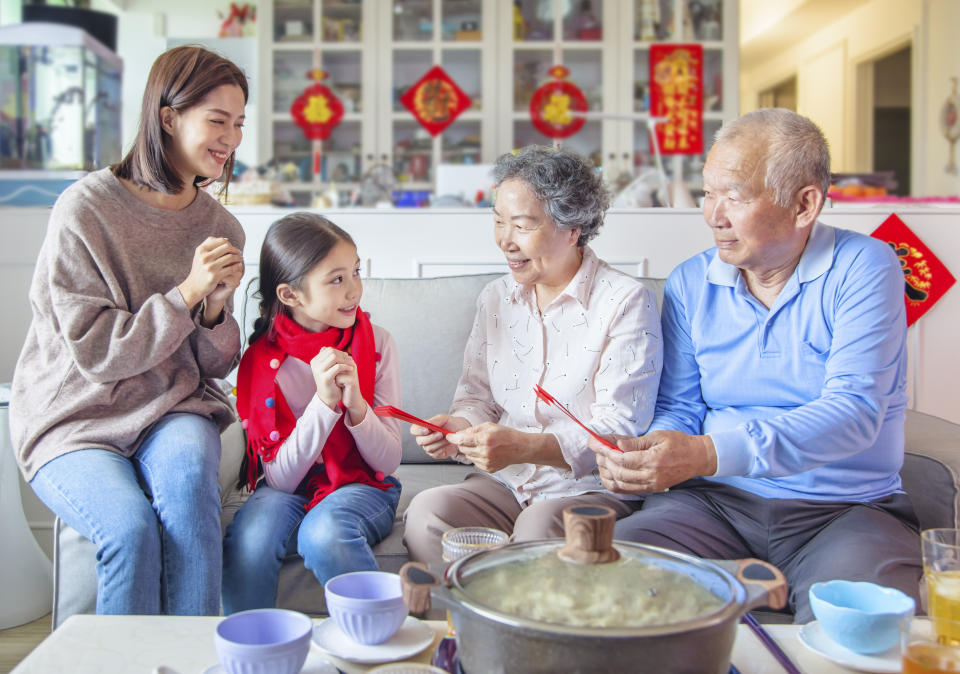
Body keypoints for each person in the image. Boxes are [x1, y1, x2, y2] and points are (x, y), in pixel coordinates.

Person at [587, 108, 922, 623]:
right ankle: (742, 583)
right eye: (707, 194)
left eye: (735, 196)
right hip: (712, 505)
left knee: (858, 626)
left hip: (844, 510)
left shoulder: (865, 267)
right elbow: (681, 405)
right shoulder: (690, 282)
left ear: (804, 204)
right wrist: (651, 453)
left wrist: (705, 453)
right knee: (612, 580)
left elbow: (854, 412)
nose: (712, 215)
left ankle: (750, 587)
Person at [10, 46, 247, 616]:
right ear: (168, 116)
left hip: (172, 407)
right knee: (129, 531)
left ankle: (192, 660)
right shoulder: (85, 209)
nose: (231, 139)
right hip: (77, 416)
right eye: (217, 121)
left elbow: (213, 366)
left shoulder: (221, 225)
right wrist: (187, 294)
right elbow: (97, 353)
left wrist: (214, 310)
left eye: (239, 124)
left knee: (192, 497)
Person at [402, 146, 662, 563]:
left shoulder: (625, 300)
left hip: (586, 488)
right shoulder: (496, 298)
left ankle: (512, 622)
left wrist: (525, 446)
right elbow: (476, 396)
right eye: (499, 221)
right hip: (508, 483)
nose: (505, 240)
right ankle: (471, 620)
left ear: (572, 228)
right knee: (427, 514)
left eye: (522, 225)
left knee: (539, 528)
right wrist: (456, 427)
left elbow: (620, 430)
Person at [222, 213, 402, 614]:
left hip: (365, 484)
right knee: (252, 541)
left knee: (324, 532)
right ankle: (254, 650)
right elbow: (282, 481)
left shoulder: (377, 344)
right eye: (336, 279)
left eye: (356, 272)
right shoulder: (262, 363)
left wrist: (355, 406)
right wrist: (324, 405)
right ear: (290, 295)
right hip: (290, 487)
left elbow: (388, 462)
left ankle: (380, 639)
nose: (354, 290)